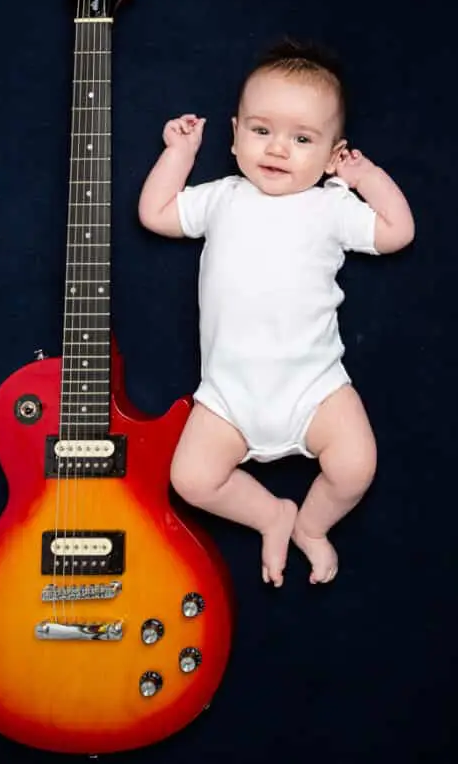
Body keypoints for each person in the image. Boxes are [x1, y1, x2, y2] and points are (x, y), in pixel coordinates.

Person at [138, 40, 415, 587]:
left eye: (303, 139)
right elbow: (156, 213)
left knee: (355, 466)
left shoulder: (332, 206)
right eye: (261, 130)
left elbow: (397, 232)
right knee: (190, 479)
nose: (278, 149)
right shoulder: (223, 198)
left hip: (314, 386)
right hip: (228, 395)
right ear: (236, 133)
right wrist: (179, 155)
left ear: (334, 155)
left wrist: (366, 180)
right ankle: (272, 514)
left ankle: (311, 525)